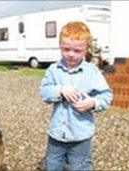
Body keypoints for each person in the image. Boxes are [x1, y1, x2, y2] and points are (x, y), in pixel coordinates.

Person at [39, 21, 113, 171]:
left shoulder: (92, 72)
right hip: (57, 135)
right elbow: (44, 92)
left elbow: (106, 96)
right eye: (66, 49)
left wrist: (93, 102)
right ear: (60, 46)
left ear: (86, 50)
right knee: (52, 165)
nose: (71, 54)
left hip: (81, 135)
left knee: (80, 166)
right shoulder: (54, 70)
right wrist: (59, 90)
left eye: (77, 50)